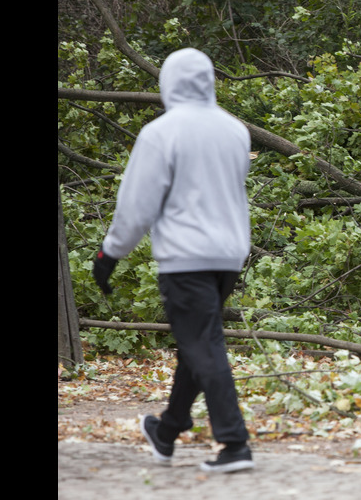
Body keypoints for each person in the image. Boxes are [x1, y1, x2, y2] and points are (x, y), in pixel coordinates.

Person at [92, 48, 255, 473]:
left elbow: (137, 205)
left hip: (186, 257)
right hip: (229, 255)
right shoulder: (235, 130)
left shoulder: (161, 133)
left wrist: (111, 251)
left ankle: (235, 444)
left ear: (168, 82)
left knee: (203, 343)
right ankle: (167, 431)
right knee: (196, 344)